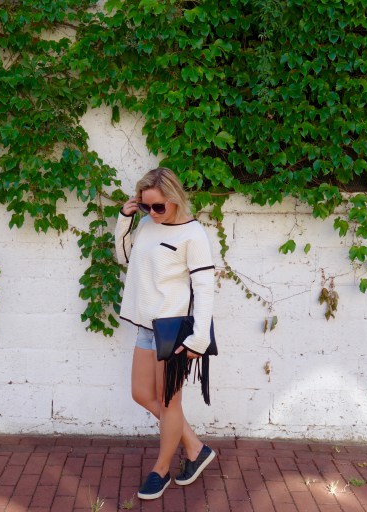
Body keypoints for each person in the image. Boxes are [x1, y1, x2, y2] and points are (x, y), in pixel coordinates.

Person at [114, 167, 217, 500]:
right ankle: (196, 448)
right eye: (146, 206)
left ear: (175, 199)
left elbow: (204, 287)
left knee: (169, 402)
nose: (153, 212)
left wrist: (199, 338)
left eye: (158, 206)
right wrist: (125, 219)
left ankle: (161, 470)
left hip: (174, 330)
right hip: (146, 326)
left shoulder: (193, 234)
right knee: (141, 393)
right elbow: (124, 257)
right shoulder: (146, 224)